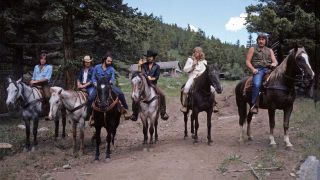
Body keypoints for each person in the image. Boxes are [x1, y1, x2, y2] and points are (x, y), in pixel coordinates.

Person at [130, 50, 169, 121]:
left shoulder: (157, 66)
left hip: (153, 84)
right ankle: (134, 114)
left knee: (162, 95)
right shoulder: (143, 65)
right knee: (135, 95)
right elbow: (141, 74)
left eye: (150, 57)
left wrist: (150, 78)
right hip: (144, 84)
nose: (149, 58)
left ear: (153, 57)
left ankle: (163, 112)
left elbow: (156, 77)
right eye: (148, 57)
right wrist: (140, 68)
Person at [89, 53, 130, 120]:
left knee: (120, 93)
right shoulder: (97, 67)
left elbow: (113, 78)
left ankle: (125, 109)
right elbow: (93, 77)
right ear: (104, 60)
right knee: (90, 98)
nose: (110, 62)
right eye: (108, 61)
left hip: (108, 86)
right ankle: (90, 114)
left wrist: (110, 82)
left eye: (111, 61)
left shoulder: (111, 69)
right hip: (98, 86)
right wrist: (95, 83)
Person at [246, 33, 278, 114]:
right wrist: (253, 69)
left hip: (268, 70)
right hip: (258, 70)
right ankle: (254, 105)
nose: (261, 41)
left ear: (265, 41)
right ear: (257, 40)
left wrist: (274, 64)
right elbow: (247, 61)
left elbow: (275, 61)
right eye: (259, 39)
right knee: (256, 84)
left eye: (263, 39)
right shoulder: (253, 49)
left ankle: (277, 101)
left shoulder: (269, 50)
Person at [181, 47, 208, 112]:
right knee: (186, 88)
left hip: (201, 78)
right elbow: (185, 69)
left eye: (197, 52)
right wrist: (192, 65)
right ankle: (185, 105)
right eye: (195, 52)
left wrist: (200, 75)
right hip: (192, 77)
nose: (196, 53)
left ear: (201, 53)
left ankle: (213, 104)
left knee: (212, 89)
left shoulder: (204, 61)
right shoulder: (190, 60)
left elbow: (204, 71)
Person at [30, 52, 53, 118]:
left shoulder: (49, 67)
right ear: (39, 59)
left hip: (44, 84)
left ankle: (48, 112)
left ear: (46, 60)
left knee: (47, 96)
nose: (43, 60)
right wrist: (31, 81)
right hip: (35, 83)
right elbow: (33, 76)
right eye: (41, 59)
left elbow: (47, 78)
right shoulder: (36, 67)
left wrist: (36, 81)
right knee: (27, 93)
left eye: (44, 59)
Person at [77, 55, 95, 120]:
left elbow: (92, 80)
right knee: (75, 97)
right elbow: (78, 78)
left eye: (88, 62)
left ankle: (90, 114)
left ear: (90, 62)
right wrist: (78, 84)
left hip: (90, 87)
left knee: (91, 98)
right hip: (81, 86)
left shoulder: (93, 69)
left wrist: (84, 86)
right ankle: (77, 113)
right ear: (84, 62)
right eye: (86, 62)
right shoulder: (82, 70)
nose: (87, 63)